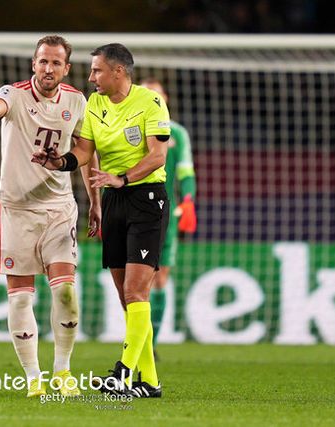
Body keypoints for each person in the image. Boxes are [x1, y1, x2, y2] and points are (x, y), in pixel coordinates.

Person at [32, 43, 171, 398]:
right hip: (112, 200)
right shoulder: (94, 103)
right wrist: (60, 162)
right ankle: (149, 381)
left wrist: (123, 178)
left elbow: (157, 156)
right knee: (128, 299)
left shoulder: (150, 102)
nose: (92, 76)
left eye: (97, 70)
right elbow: (84, 151)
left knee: (136, 292)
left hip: (145, 198)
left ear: (118, 72)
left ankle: (123, 374)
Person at [0, 35, 88, 398]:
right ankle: (34, 377)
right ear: (34, 64)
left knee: (66, 292)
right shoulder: (14, 94)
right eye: (42, 61)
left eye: (55, 63)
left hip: (59, 208)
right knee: (20, 299)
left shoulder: (77, 100)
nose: (48, 68)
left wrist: (92, 197)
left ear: (66, 68)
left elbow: (85, 148)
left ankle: (62, 370)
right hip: (16, 210)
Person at [140, 77, 197, 354]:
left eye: (157, 95)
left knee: (160, 279)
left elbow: (186, 171)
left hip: (165, 215)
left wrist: (188, 200)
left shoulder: (177, 134)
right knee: (137, 284)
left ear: (165, 99)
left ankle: (150, 346)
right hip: (134, 211)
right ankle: (137, 342)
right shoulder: (129, 129)